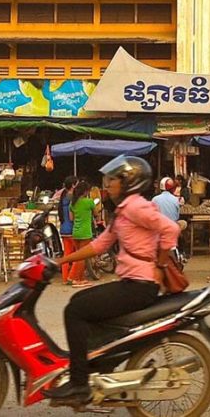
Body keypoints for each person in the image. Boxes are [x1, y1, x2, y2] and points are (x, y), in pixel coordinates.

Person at [45, 155, 180, 404]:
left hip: (140, 285)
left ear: (129, 182)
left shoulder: (136, 207)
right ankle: (99, 364)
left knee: (74, 311)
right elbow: (99, 245)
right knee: (79, 300)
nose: (107, 184)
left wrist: (160, 265)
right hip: (132, 282)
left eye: (113, 180)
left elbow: (171, 228)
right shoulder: (124, 210)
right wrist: (60, 261)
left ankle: (79, 384)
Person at [69, 180, 96, 288]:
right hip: (85, 233)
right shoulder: (89, 202)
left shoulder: (73, 203)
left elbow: (71, 218)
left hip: (75, 232)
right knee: (82, 258)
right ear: (85, 191)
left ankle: (81, 278)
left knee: (79, 256)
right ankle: (76, 279)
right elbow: (96, 214)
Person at [57, 176, 78, 285]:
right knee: (78, 255)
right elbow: (72, 216)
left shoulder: (63, 196)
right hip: (72, 229)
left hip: (64, 229)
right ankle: (72, 277)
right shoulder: (73, 197)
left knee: (67, 255)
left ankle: (65, 278)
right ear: (73, 185)